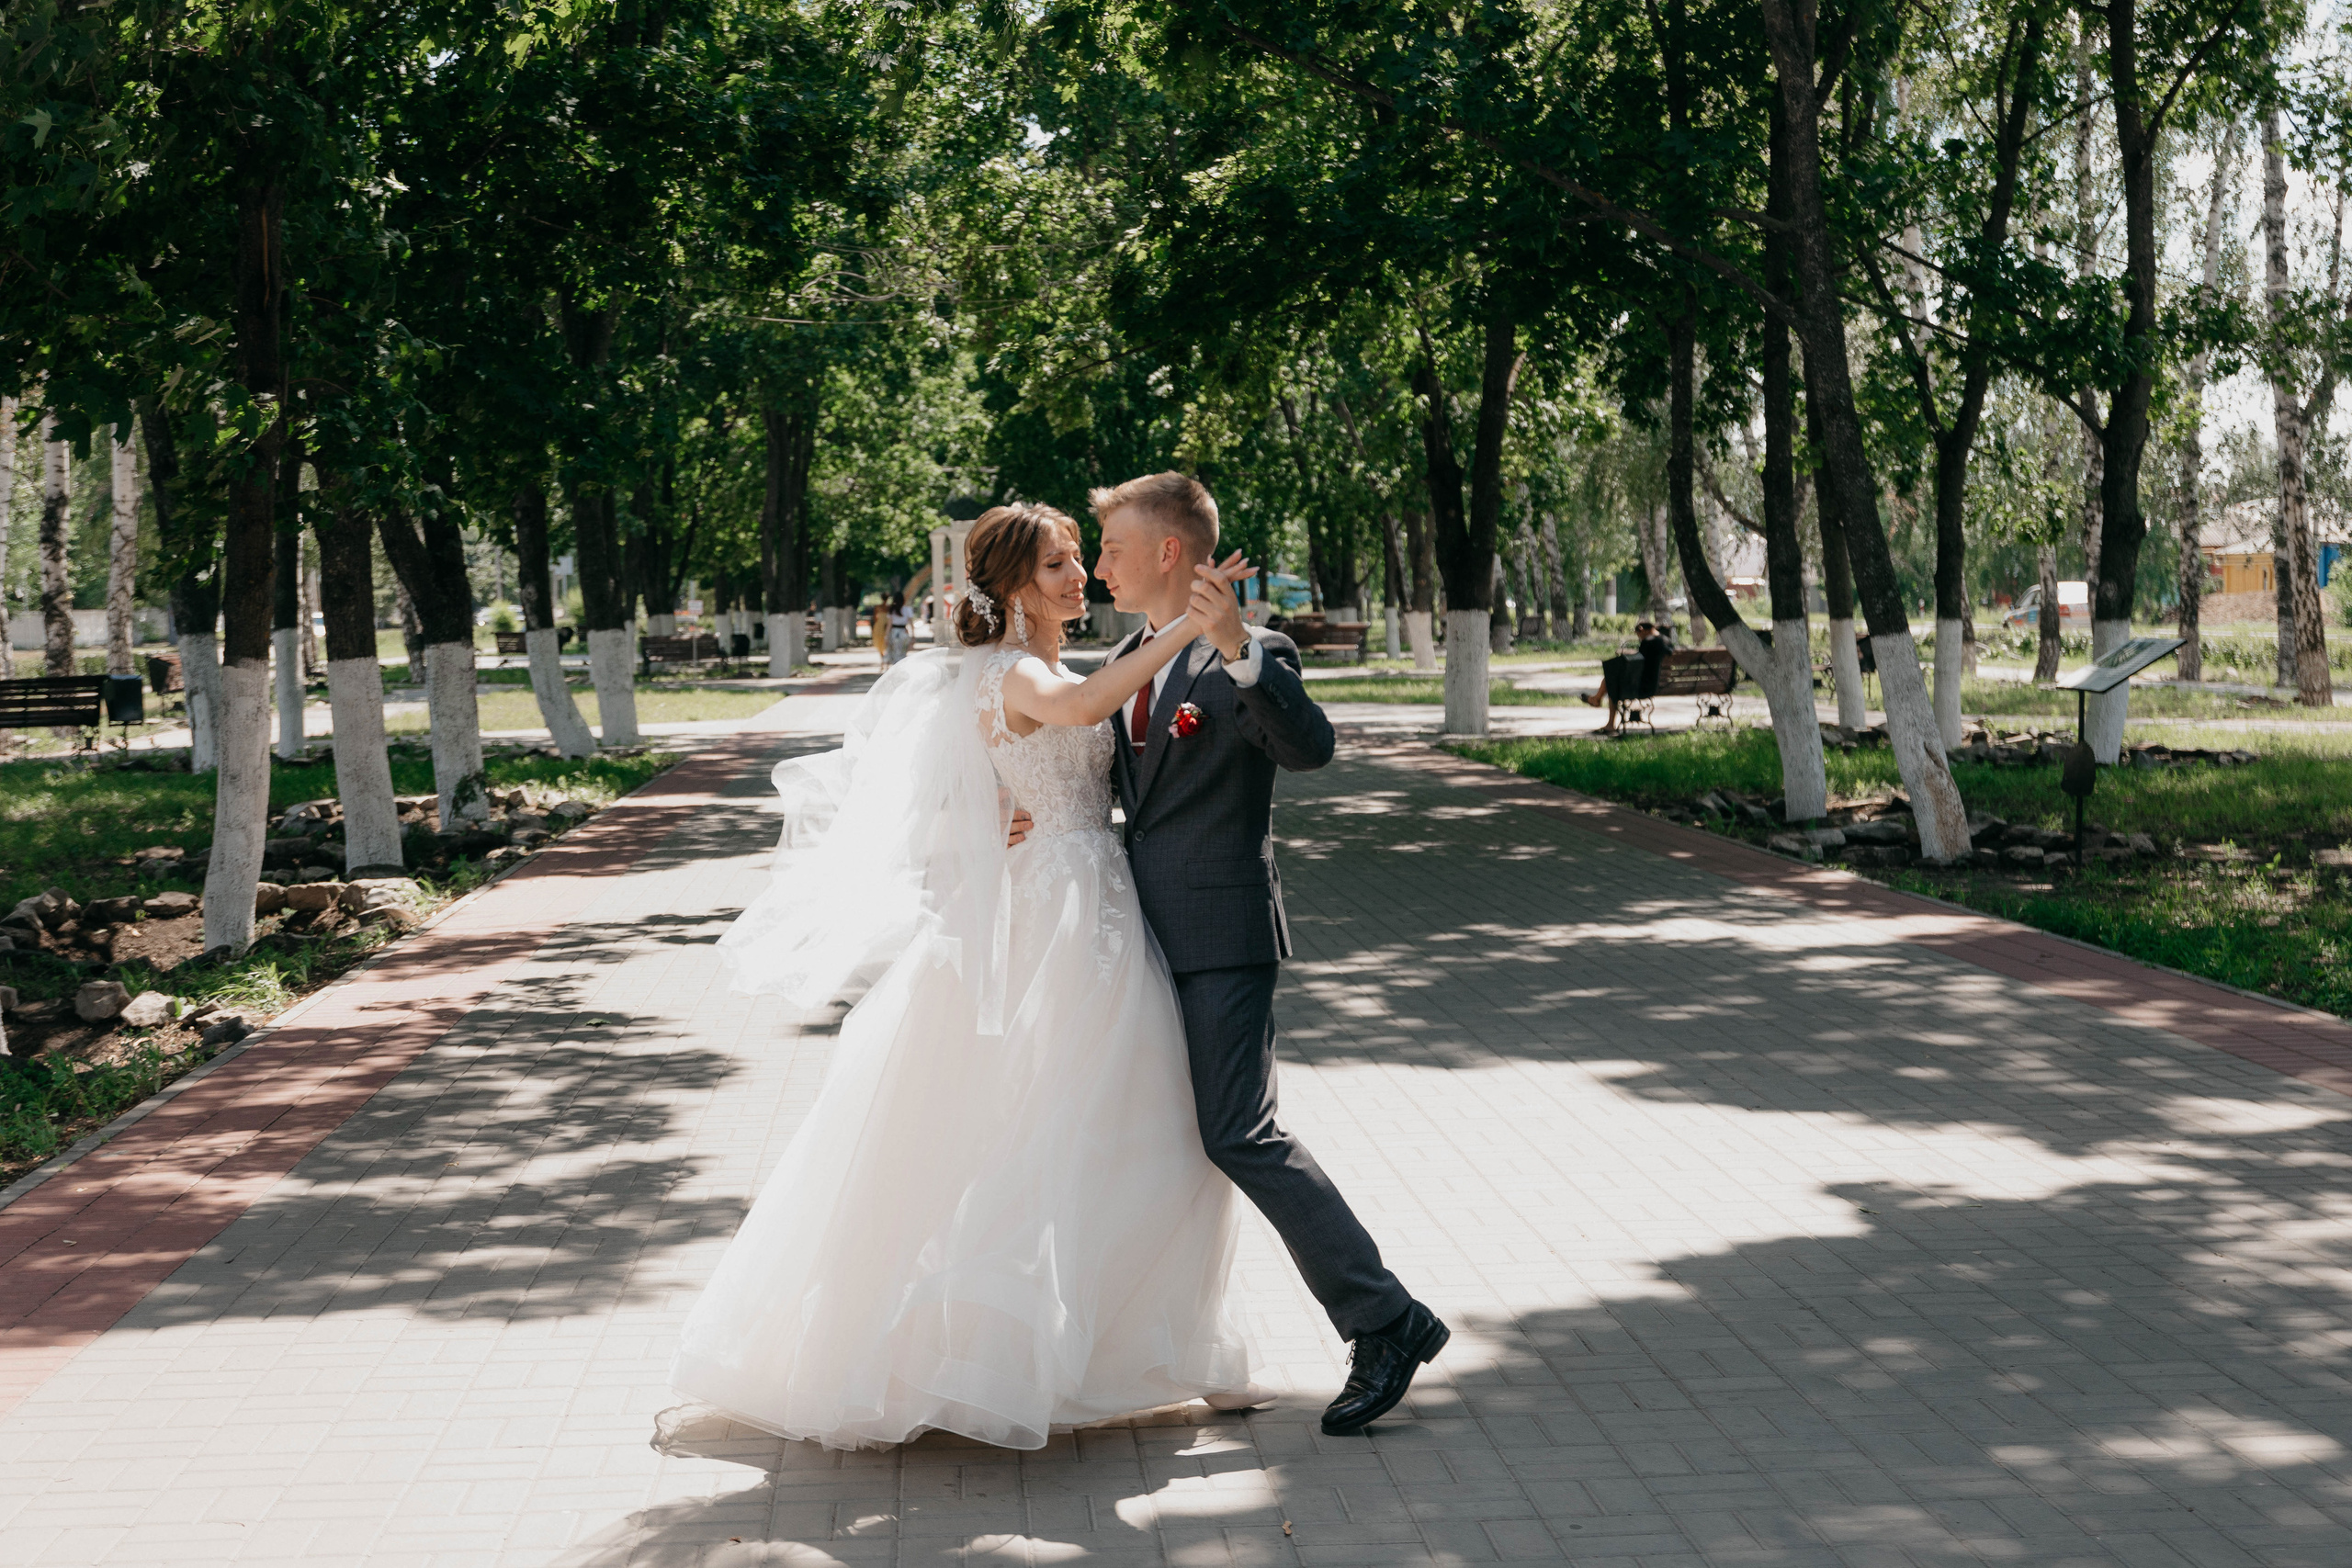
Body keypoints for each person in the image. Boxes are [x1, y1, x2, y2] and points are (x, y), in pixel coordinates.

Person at [669, 503, 1265, 1451]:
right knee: (1059, 1126)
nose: (1076, 578)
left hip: (1094, 900)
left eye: (1079, 560)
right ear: (1013, 585)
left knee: (1122, 1125)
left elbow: (1045, 759)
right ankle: (1001, 1355)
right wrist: (1195, 624)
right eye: (1057, 567)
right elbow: (1076, 714)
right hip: (1057, 920)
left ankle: (1133, 1347)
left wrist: (1006, 807)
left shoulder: (1037, 665)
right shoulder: (1017, 671)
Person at [1063, 471, 1448, 1438]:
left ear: (1166, 554)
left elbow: (1309, 748)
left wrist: (1236, 647)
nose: (1099, 563)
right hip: (1132, 943)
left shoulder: (1250, 651)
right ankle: (1149, 1343)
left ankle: (1385, 1319)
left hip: (1219, 934)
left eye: (1111, 547)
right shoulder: (1127, 653)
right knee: (1150, 1142)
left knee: (1240, 1132)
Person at [1584, 619, 1674, 736]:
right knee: (1611, 681)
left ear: (1641, 630)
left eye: (1638, 634)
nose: (1639, 638)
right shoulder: (1666, 641)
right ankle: (1596, 699)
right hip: (1657, 685)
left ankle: (1608, 721)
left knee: (1612, 682)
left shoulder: (1648, 643)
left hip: (1643, 687)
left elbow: (1638, 663)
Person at [884, 592, 911, 665]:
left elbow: (889, 625)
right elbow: (911, 623)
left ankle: (896, 666)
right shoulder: (907, 609)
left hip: (894, 632)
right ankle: (901, 665)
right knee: (902, 651)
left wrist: (886, 637)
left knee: (894, 651)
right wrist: (913, 636)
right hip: (904, 632)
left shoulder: (892, 610)